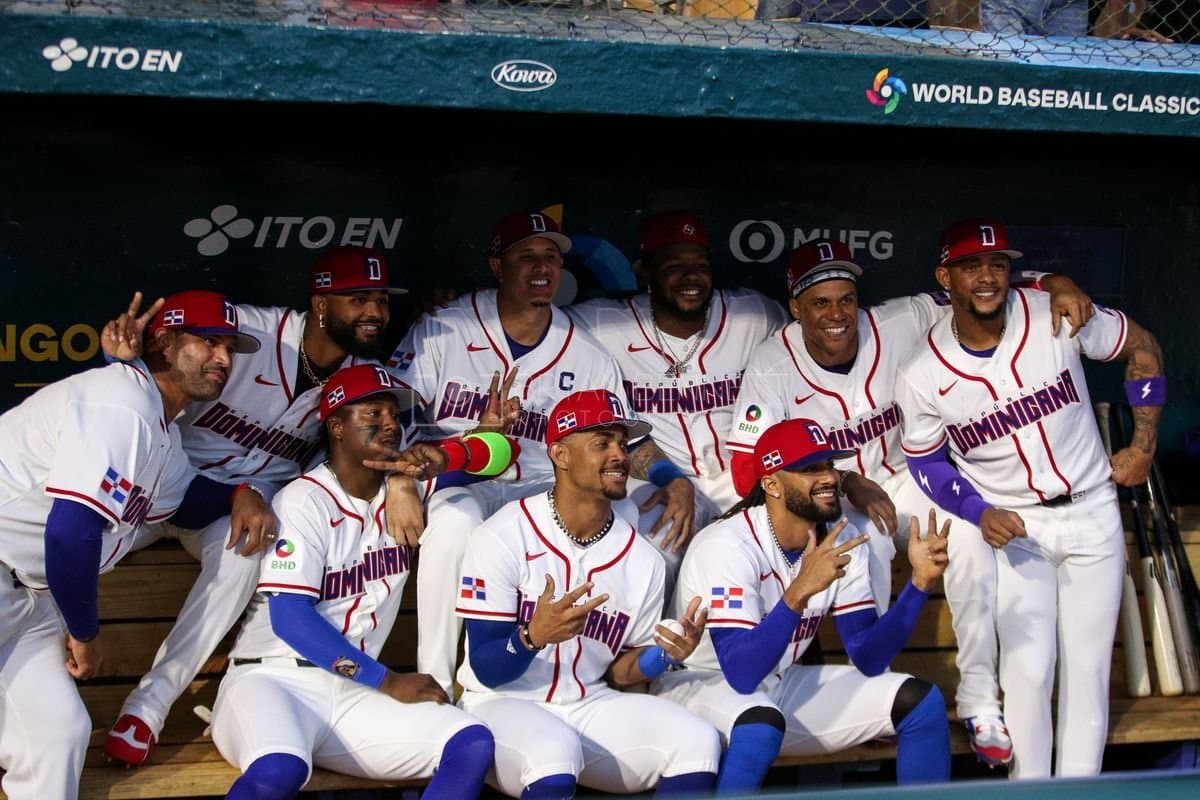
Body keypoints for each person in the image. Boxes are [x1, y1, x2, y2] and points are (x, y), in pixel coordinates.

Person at [724, 236, 1093, 766]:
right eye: (821, 302)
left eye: (845, 298)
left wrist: (1058, 283)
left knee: (965, 536)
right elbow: (747, 471)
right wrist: (845, 477)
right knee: (859, 544)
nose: (837, 314)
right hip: (843, 497)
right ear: (797, 308)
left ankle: (980, 699)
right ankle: (867, 694)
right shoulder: (772, 363)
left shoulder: (898, 320)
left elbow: (988, 292)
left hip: (909, 479)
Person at [102, 245, 406, 766]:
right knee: (75, 541)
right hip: (162, 480)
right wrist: (118, 359)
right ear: (321, 303)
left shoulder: (361, 384)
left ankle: (146, 708)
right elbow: (164, 352)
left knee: (243, 553)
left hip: (236, 508)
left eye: (380, 299)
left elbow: (406, 447)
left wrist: (400, 484)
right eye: (357, 299)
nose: (374, 312)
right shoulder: (252, 333)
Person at [894, 217, 1164, 779]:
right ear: (946, 277)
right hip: (1019, 529)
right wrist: (977, 511)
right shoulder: (921, 373)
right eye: (972, 266)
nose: (988, 277)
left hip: (1091, 510)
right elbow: (925, 461)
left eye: (998, 264)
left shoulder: (1055, 313)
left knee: (1088, 673)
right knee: (1029, 674)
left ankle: (1079, 793)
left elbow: (1142, 346)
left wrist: (1143, 443)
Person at [386, 210, 697, 695]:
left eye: (551, 257)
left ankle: (606, 672)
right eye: (526, 255)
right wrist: (400, 479)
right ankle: (438, 680)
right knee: (453, 526)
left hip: (538, 488)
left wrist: (669, 477)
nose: (541, 266)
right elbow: (394, 415)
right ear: (497, 267)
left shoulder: (586, 353)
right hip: (457, 478)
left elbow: (624, 440)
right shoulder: (444, 327)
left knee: (635, 520)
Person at [0, 289, 273, 800]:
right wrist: (85, 631)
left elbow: (187, 499)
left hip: (30, 602)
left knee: (58, 735)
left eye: (230, 348)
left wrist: (243, 491)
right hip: (11, 576)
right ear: (165, 344)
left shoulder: (160, 429)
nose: (223, 358)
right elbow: (70, 531)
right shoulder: (120, 401)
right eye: (207, 343)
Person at [210, 365, 498, 800]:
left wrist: (421, 466)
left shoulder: (408, 489)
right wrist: (387, 682)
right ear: (336, 427)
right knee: (279, 772)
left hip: (352, 694)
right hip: (272, 681)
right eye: (373, 412)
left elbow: (500, 453)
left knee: (470, 742)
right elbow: (290, 620)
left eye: (393, 414)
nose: (389, 422)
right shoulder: (302, 500)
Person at [652, 418, 952, 794]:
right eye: (810, 469)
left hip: (776, 686)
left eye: (828, 466)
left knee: (919, 702)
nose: (828, 477)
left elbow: (868, 657)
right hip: (697, 683)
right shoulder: (727, 546)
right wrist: (799, 591)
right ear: (772, 484)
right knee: (760, 725)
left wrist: (919, 585)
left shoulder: (840, 536)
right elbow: (742, 674)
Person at [455, 389, 722, 798]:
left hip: (587, 701)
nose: (619, 454)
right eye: (601, 443)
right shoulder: (502, 536)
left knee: (698, 742)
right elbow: (488, 668)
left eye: (621, 443)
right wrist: (531, 637)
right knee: (553, 754)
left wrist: (664, 656)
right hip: (499, 702)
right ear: (560, 455)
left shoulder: (642, 560)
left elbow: (620, 672)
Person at [567, 210, 789, 521]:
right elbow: (538, 325)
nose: (691, 276)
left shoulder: (755, 316)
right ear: (646, 271)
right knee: (653, 545)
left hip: (736, 477)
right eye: (675, 267)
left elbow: (801, 360)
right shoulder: (603, 325)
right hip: (657, 481)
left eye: (700, 265)